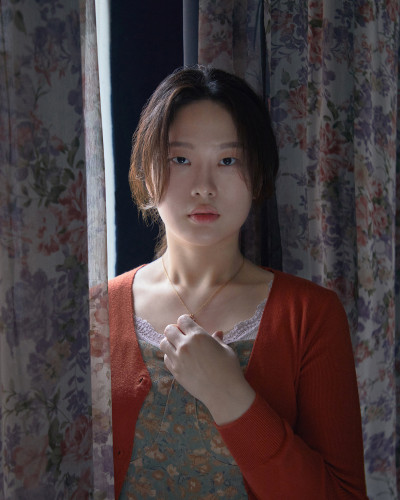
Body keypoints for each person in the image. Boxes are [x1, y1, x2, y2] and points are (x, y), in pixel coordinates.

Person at [108, 66, 367, 499]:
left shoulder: (310, 316)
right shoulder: (95, 313)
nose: (204, 187)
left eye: (228, 161)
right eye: (180, 160)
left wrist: (230, 395)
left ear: (258, 174)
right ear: (146, 172)